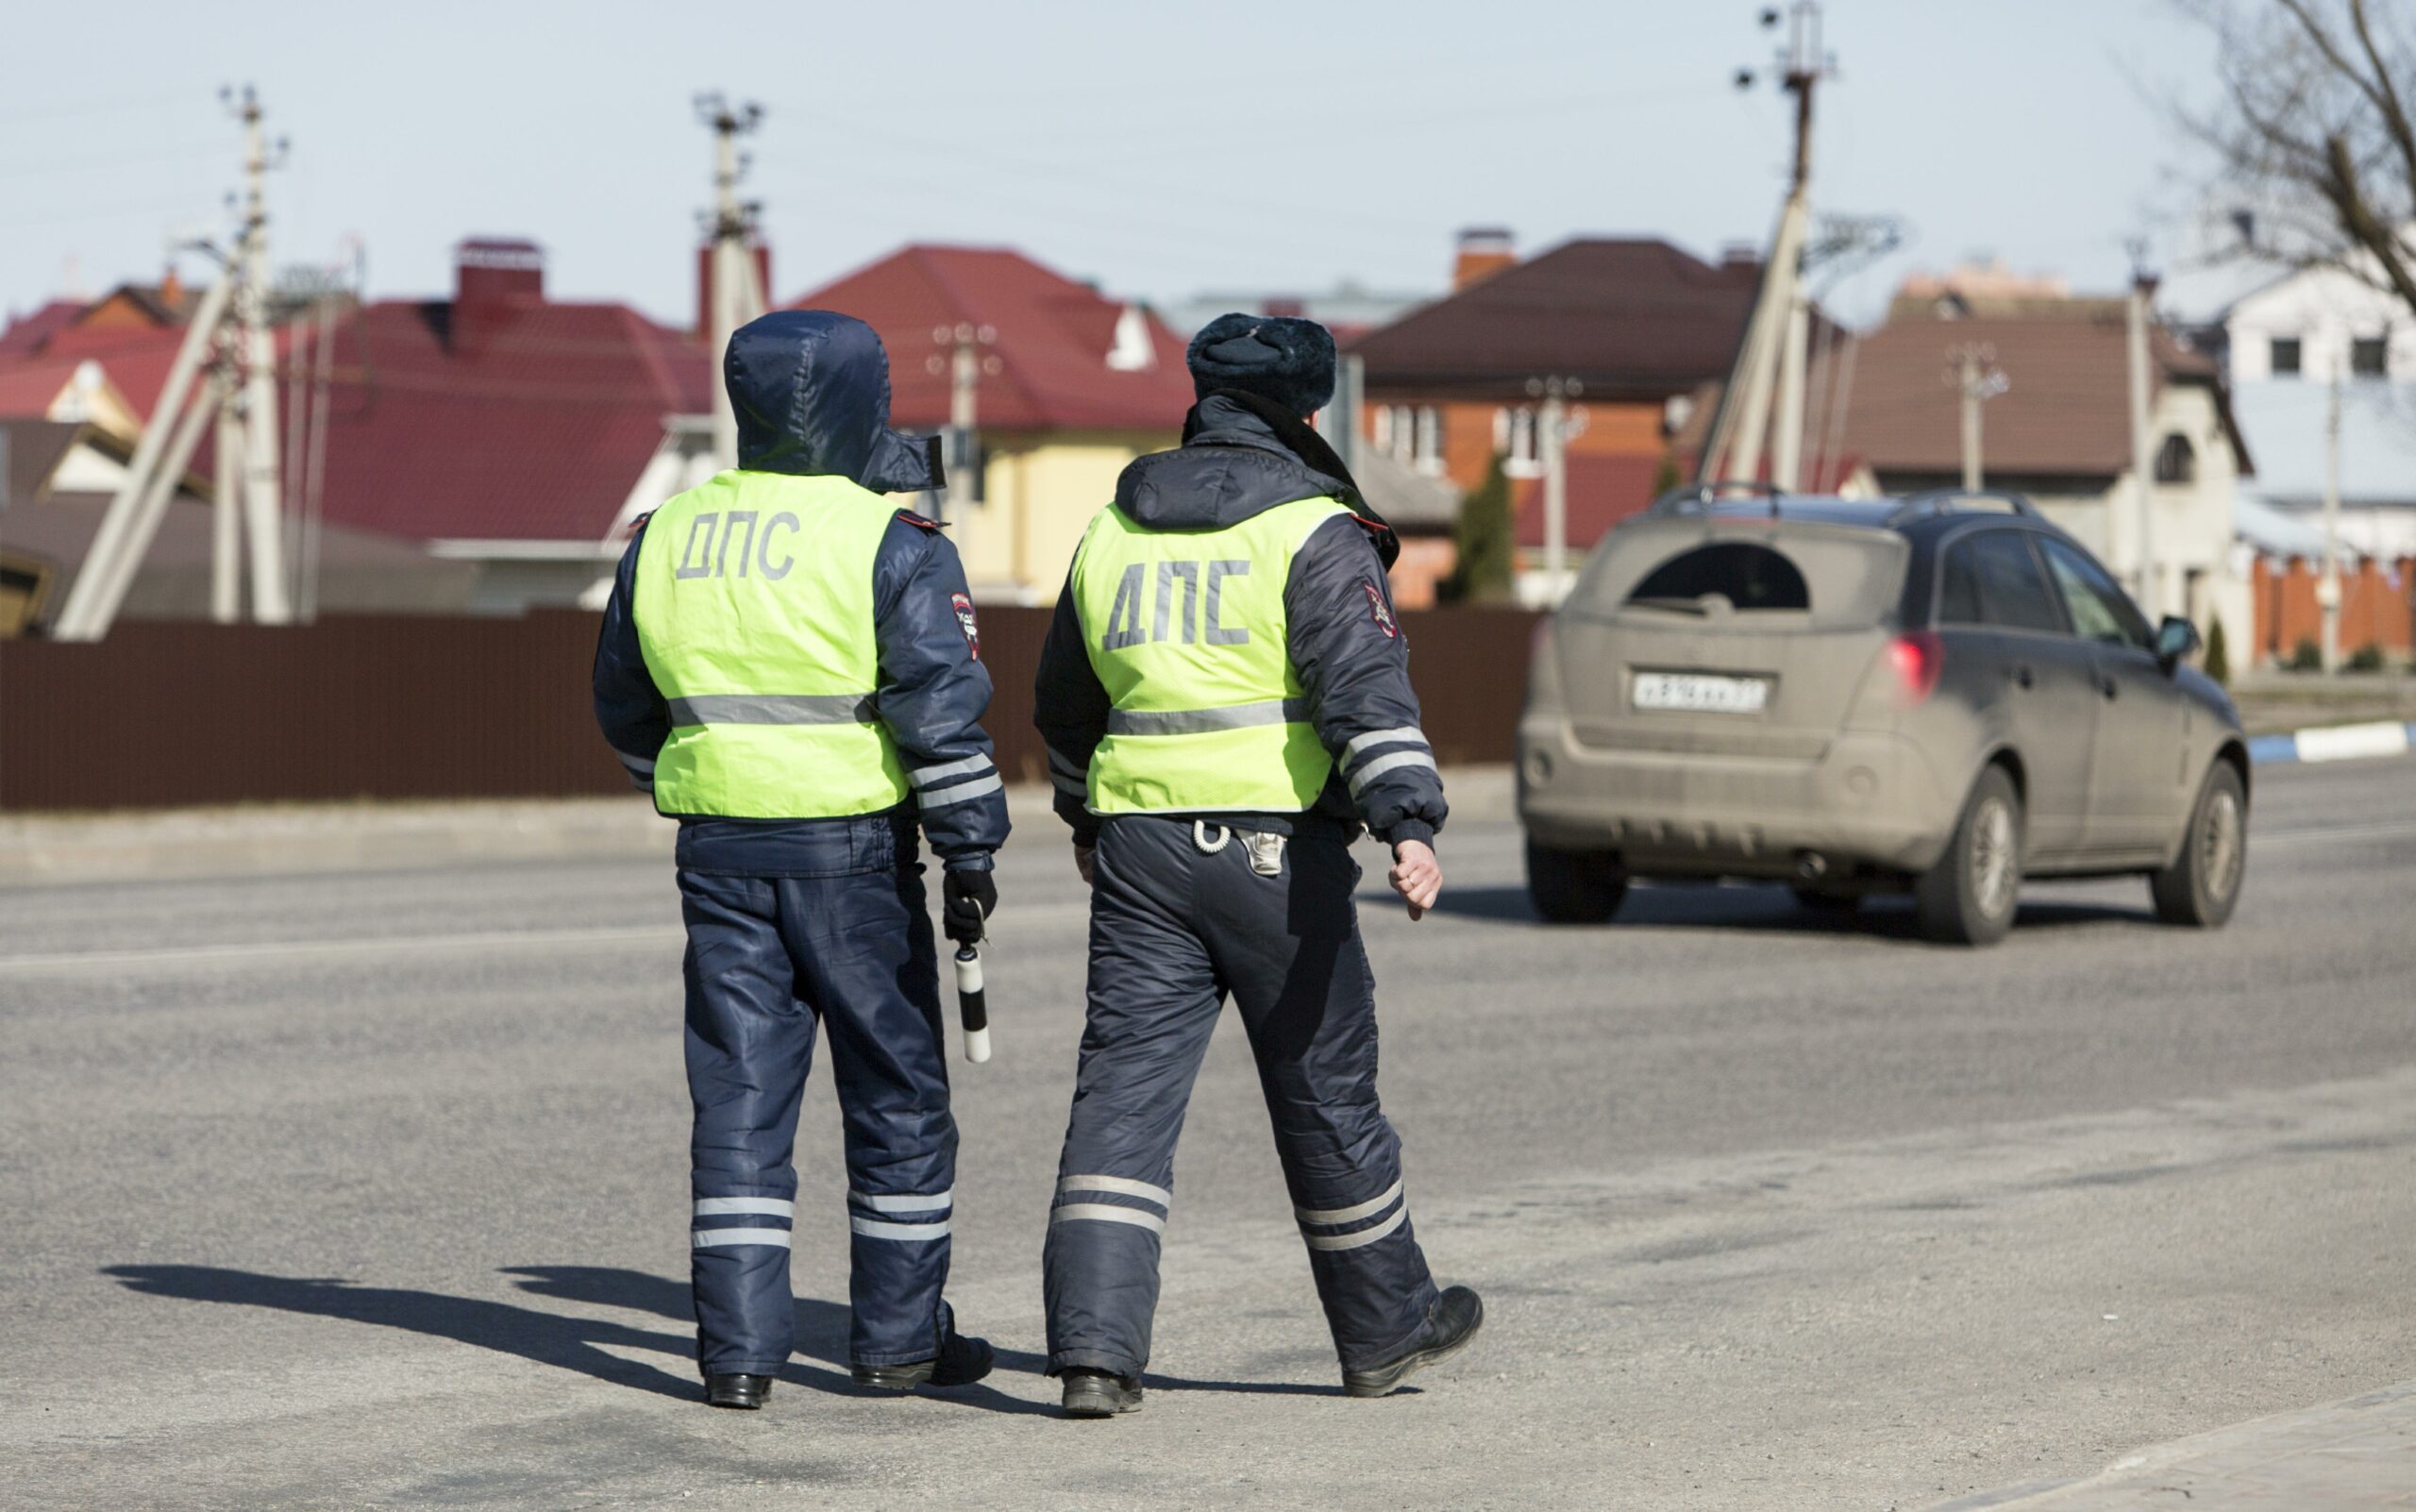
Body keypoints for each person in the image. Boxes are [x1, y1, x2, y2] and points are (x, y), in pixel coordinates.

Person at [1031, 312, 1483, 1418]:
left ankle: (1094, 1355)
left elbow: (1063, 702)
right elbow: (1361, 688)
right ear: (1309, 411)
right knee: (1324, 1093)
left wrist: (1090, 821)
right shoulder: (1312, 528)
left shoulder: (1112, 528)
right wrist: (1407, 822)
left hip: (1140, 850)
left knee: (1121, 1099)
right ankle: (1383, 1330)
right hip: (1276, 851)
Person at [594, 310, 1006, 1411]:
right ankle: (896, 1342)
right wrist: (972, 852)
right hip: (854, 859)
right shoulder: (888, 540)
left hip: (717, 854)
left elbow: (625, 709)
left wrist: (690, 782)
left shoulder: (667, 534)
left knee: (737, 1099)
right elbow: (941, 715)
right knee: (898, 1096)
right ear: (872, 402)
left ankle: (736, 1358)